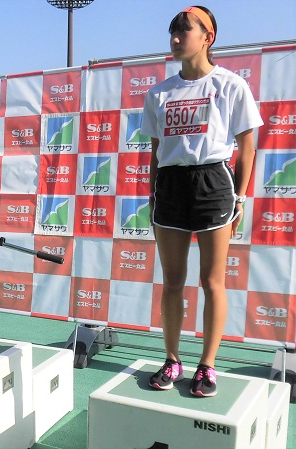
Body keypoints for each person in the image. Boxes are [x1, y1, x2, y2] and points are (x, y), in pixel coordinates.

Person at [141, 6, 263, 397]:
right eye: (172, 32)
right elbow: (156, 150)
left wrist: (240, 195)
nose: (175, 39)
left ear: (207, 37)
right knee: (173, 282)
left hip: (213, 182)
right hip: (171, 188)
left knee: (212, 282)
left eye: (183, 32)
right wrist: (152, 191)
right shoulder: (159, 92)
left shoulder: (231, 85)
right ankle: (172, 358)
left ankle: (207, 366)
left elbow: (247, 146)